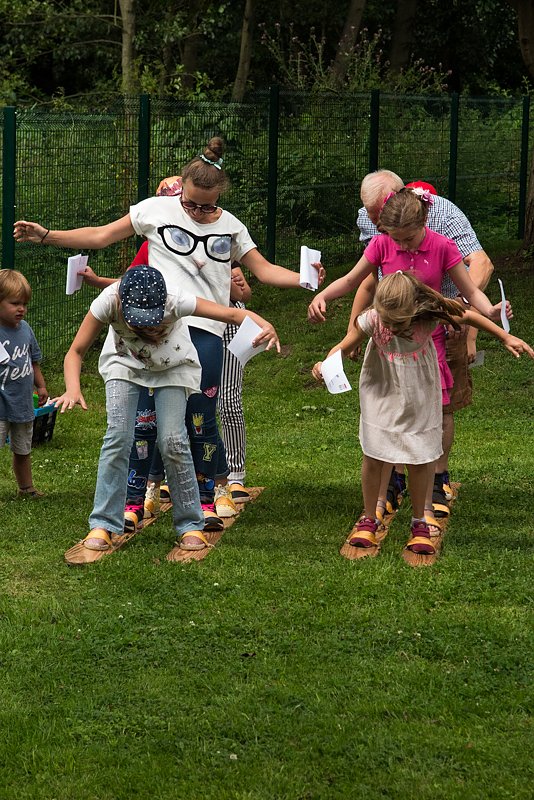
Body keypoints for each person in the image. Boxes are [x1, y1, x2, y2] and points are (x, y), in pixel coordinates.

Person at [14, 137, 324, 534]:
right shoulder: (155, 210)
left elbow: (263, 270)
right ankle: (136, 497)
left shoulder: (231, 226)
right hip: (155, 326)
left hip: (207, 328)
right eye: (191, 203)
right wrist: (47, 235)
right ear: (182, 188)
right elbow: (100, 236)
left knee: (199, 420)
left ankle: (206, 496)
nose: (197, 211)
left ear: (219, 198)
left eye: (207, 206)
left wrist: (304, 279)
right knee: (144, 421)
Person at [307, 186, 513, 527]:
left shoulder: (443, 246)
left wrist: (491, 311)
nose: (401, 246)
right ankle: (385, 491)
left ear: (425, 222)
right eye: (395, 239)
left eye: (408, 238)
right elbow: (353, 281)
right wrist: (323, 296)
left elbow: (468, 294)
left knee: (430, 418)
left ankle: (432, 487)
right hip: (389, 340)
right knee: (386, 419)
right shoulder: (381, 244)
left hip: (428, 342)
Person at [51, 264, 279, 553]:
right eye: (141, 322)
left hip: (173, 366)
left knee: (173, 440)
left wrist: (264, 324)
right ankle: (104, 522)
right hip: (124, 363)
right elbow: (76, 351)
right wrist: (73, 387)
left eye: (154, 321)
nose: (149, 328)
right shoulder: (107, 301)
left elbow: (232, 313)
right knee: (119, 437)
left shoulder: (176, 299)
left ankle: (190, 524)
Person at [312, 272, 533, 556]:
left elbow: (468, 316)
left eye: (397, 321)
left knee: (420, 456)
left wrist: (504, 336)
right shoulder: (373, 319)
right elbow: (344, 346)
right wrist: (325, 364)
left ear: (414, 308)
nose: (390, 326)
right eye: (387, 320)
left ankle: (419, 522)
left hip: (419, 393)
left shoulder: (428, 314)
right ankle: (369, 518)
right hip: (380, 390)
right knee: (373, 453)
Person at [349, 169, 497, 517]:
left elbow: (481, 265)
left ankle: (435, 480)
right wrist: (351, 332)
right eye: (371, 217)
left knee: (438, 409)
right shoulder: (376, 222)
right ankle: (393, 480)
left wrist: (458, 313)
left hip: (442, 323)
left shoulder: (444, 217)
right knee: (392, 408)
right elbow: (369, 279)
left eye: (378, 215)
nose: (376, 225)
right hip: (391, 328)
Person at [0, 269, 48, 499]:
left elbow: (33, 361)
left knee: (23, 448)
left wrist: (41, 386)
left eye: (24, 304)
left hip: (22, 404)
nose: (21, 309)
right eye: (14, 303)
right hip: (1, 406)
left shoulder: (26, 330)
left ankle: (26, 487)